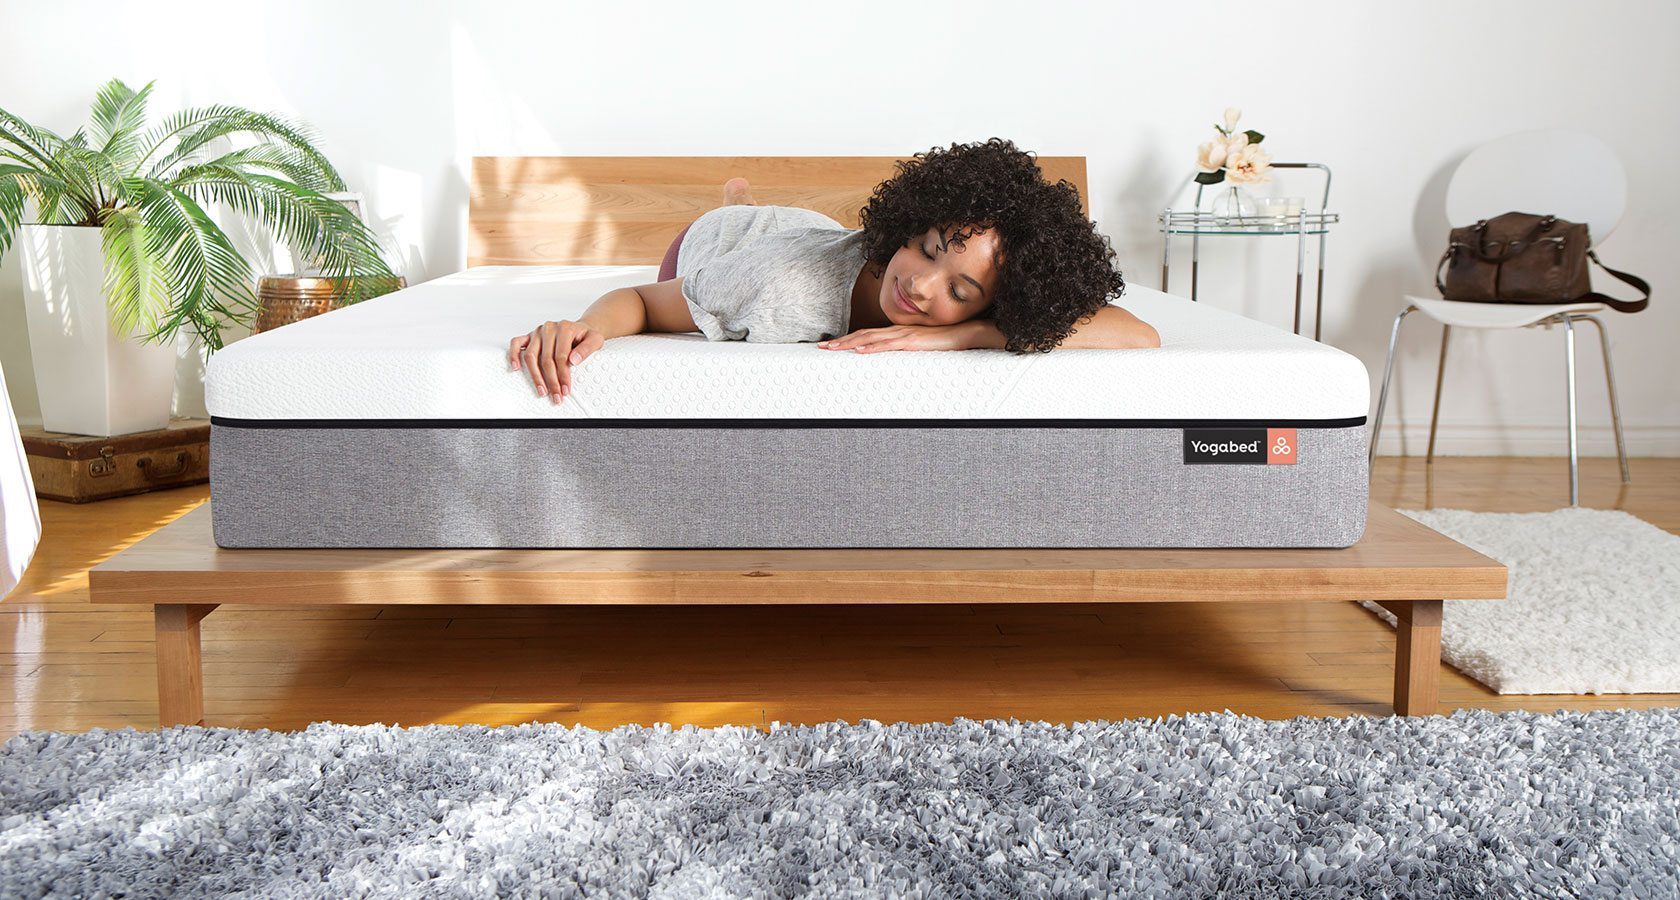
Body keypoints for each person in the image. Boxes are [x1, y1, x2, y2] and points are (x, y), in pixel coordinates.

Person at [509, 138, 1159, 404]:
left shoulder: (978, 304)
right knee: (750, 220)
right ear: (909, 227)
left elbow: (1139, 335)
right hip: (722, 244)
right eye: (927, 250)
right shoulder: (775, 284)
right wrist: (581, 326)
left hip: (811, 234)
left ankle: (751, 199)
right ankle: (736, 201)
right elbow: (645, 302)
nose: (923, 285)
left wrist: (966, 334)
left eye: (961, 290)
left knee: (805, 226)